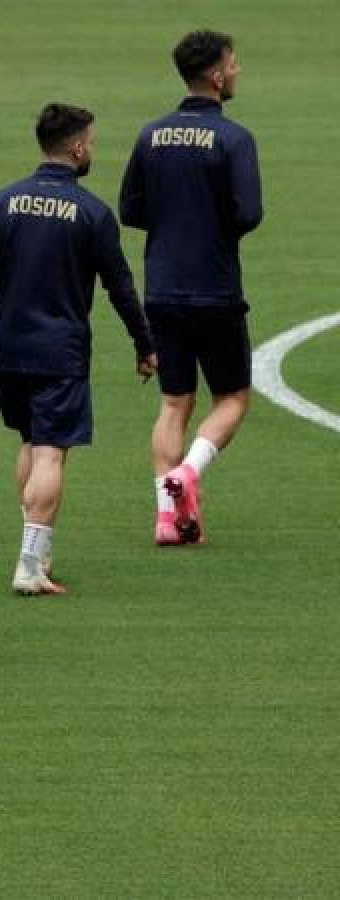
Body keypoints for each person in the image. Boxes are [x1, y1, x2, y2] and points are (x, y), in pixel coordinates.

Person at [0, 103, 157, 595]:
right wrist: (144, 343)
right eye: (91, 142)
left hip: (8, 346)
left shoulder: (1, 203)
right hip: (59, 350)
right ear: (77, 147)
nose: (92, 149)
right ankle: (29, 564)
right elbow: (120, 287)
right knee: (51, 453)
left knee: (30, 442)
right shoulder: (91, 212)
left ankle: (39, 549)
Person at [119, 29, 262, 545]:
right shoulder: (234, 139)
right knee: (233, 397)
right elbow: (249, 213)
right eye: (233, 63)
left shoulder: (150, 135)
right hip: (215, 288)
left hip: (162, 287)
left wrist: (174, 220)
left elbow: (130, 209)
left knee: (173, 402)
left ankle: (168, 519)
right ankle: (188, 472)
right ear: (217, 75)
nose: (238, 70)